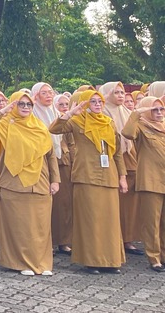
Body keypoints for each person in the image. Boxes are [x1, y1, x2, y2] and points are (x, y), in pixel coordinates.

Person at [49, 87, 126, 274]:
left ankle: (110, 260)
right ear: (85, 104)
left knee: (109, 220)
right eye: (93, 102)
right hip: (86, 176)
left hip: (108, 176)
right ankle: (91, 260)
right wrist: (70, 112)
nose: (98, 105)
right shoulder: (77, 121)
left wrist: (122, 176)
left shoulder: (109, 122)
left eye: (100, 101)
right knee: (90, 220)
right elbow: (54, 129)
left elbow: (116, 153)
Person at [0, 90, 59, 276]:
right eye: (20, 104)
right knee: (19, 226)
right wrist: (3, 111)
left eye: (29, 104)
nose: (25, 108)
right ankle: (20, 262)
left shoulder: (40, 126)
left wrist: (55, 180)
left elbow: (50, 156)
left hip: (40, 183)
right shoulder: (7, 125)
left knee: (40, 226)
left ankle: (41, 263)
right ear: (13, 105)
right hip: (15, 184)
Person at [122, 96, 165, 271]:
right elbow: (127, 133)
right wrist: (136, 114)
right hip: (150, 181)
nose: (159, 113)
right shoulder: (141, 126)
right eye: (154, 109)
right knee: (152, 222)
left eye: (161, 109)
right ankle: (154, 258)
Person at [101, 81, 141, 255]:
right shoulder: (102, 113)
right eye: (115, 92)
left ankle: (128, 239)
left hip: (130, 159)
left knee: (130, 204)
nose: (120, 95)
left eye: (122, 92)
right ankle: (115, 239)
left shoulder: (126, 112)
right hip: (111, 160)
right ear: (107, 94)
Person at [51, 92, 75, 254]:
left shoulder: (67, 121)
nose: (64, 108)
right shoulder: (40, 116)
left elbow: (72, 144)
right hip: (43, 164)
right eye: (61, 105)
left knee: (64, 205)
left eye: (67, 105)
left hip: (63, 163)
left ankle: (63, 240)